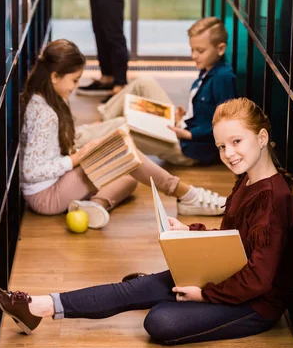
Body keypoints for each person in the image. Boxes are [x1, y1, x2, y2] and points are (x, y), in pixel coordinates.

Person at [0, 97, 293, 345]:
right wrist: (189, 231)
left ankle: (170, 297)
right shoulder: (246, 180)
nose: (228, 153)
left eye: (236, 141)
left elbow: (260, 278)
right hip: (224, 277)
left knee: (159, 320)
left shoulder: (274, 198)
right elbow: (235, 238)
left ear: (261, 138)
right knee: (133, 290)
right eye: (221, 146)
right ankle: (37, 305)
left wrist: (204, 294)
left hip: (255, 305)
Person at [19, 39, 226, 230]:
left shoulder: (49, 97)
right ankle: (187, 195)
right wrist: (76, 158)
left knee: (129, 177)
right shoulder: (44, 114)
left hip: (57, 181)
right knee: (124, 155)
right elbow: (29, 172)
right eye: (75, 80)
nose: (75, 87)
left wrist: (78, 156)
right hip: (46, 196)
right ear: (54, 77)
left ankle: (94, 205)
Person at [94, 17, 236, 214]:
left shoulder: (223, 78)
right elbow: (206, 111)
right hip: (182, 128)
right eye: (192, 49)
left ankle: (94, 138)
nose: (193, 55)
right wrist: (185, 116)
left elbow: (226, 124)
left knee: (124, 133)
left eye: (200, 51)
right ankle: (102, 121)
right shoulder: (208, 69)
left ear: (220, 49)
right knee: (144, 82)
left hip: (188, 147)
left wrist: (190, 134)